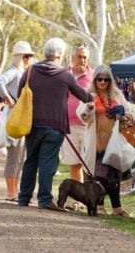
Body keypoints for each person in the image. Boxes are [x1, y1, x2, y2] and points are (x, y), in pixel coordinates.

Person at [17, 37, 93, 211]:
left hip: (33, 124)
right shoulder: (65, 74)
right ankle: (44, 200)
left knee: (31, 161)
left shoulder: (30, 71)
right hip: (55, 126)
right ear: (60, 55)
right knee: (47, 162)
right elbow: (83, 95)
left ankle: (23, 197)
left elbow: (19, 93)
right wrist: (96, 97)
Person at [77, 64, 135, 217]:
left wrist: (122, 112)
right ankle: (99, 206)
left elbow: (130, 114)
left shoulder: (116, 94)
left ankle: (117, 208)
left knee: (114, 177)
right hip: (95, 144)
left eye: (106, 80)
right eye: (99, 79)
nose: (102, 82)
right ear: (95, 80)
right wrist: (88, 108)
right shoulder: (89, 94)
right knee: (98, 177)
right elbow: (82, 117)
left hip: (113, 143)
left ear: (110, 81)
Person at [0, 39, 35, 202]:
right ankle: (11, 191)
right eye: (26, 56)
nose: (29, 59)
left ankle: (14, 190)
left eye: (30, 56)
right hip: (14, 117)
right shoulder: (14, 71)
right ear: (19, 57)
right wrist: (8, 98)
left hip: (20, 117)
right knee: (14, 156)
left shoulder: (22, 72)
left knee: (20, 157)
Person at [61, 43, 94, 183]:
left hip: (88, 126)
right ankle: (77, 200)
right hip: (68, 127)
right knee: (74, 164)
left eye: (85, 57)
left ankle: (92, 198)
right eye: (79, 57)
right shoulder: (63, 75)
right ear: (72, 57)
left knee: (90, 164)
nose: (82, 60)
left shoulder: (94, 76)